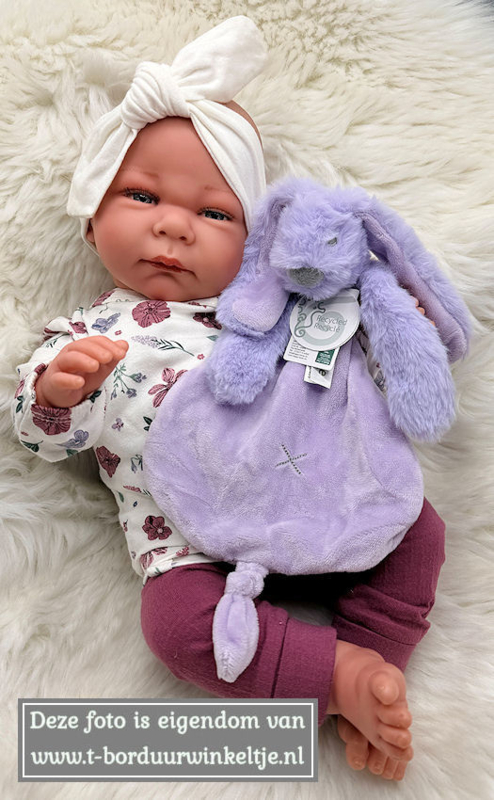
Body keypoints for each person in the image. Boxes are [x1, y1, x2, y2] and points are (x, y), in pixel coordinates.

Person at [11, 17, 445, 782]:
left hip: (306, 495)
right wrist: (58, 390)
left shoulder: (268, 311)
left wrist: (394, 331)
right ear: (91, 221)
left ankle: (375, 663)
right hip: (184, 541)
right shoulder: (87, 331)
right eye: (141, 195)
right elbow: (42, 438)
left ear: (252, 243)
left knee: (417, 530)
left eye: (214, 213)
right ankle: (336, 677)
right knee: (174, 628)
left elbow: (341, 375)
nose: (173, 225)